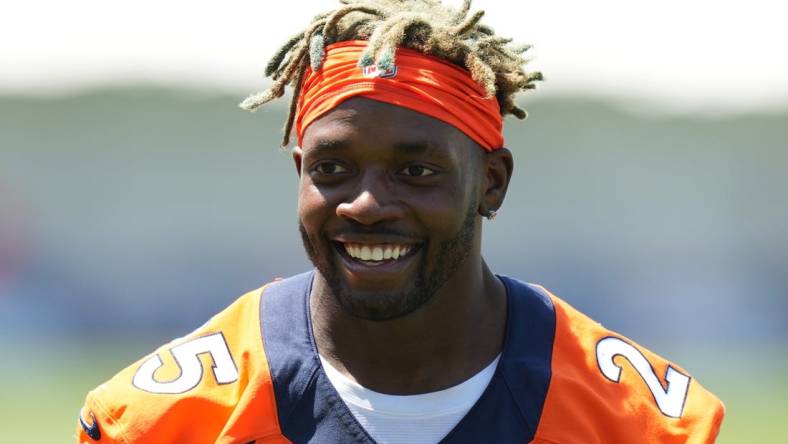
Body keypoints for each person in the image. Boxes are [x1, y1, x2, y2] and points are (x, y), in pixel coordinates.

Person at [76, 1, 725, 443]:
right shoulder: (166, 420)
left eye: (416, 172)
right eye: (332, 170)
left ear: (491, 183)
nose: (364, 203)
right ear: (298, 172)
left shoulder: (636, 422)